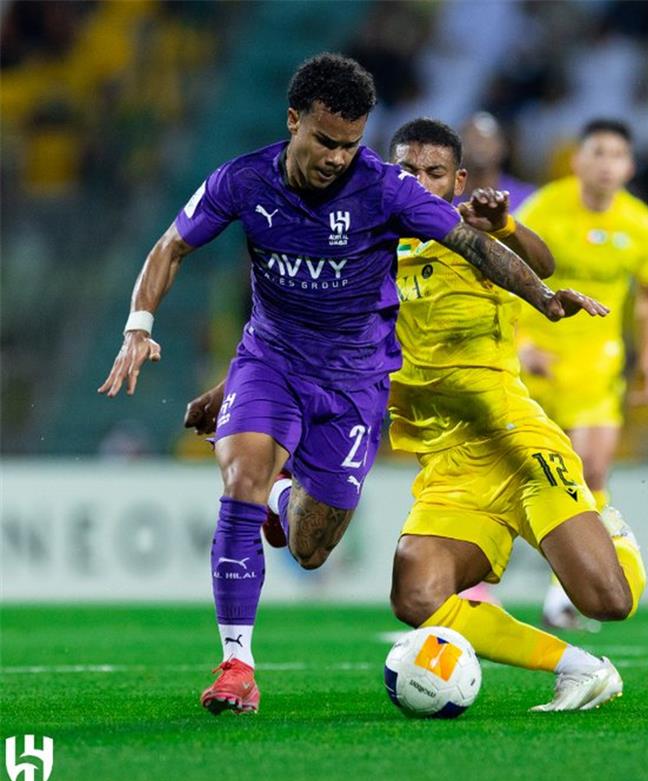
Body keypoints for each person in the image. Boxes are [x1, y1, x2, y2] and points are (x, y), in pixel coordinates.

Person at [98, 53, 605, 716]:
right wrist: (140, 325)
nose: (338, 157)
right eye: (325, 141)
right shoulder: (242, 179)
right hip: (270, 361)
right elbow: (171, 246)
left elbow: (470, 243)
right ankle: (236, 664)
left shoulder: (383, 189)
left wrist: (541, 297)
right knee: (241, 480)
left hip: (355, 381)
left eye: (351, 144)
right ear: (294, 121)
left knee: (310, 547)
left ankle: (285, 501)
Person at [187, 118, 645, 711]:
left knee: (608, 599)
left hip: (515, 445)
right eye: (405, 170)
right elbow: (301, 332)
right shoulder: (363, 248)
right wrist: (230, 386)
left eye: (433, 173)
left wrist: (505, 224)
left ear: (456, 181)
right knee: (417, 594)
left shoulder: (471, 237)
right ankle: (580, 667)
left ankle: (610, 526)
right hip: (448, 466)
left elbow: (544, 262)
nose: (418, 182)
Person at [515, 119, 648, 629]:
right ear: (577, 160)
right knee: (531, 476)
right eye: (597, 152)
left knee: (592, 472)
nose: (606, 164)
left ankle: (565, 591)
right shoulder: (543, 210)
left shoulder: (644, 226)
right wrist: (522, 344)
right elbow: (502, 276)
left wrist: (646, 359)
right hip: (537, 364)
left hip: (597, 371)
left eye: (617, 155)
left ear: (629, 166)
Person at [457, 111, 535, 212]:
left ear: (503, 147)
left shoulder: (528, 199)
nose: (479, 145)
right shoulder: (442, 201)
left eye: (486, 139)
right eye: (471, 139)